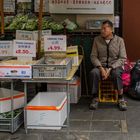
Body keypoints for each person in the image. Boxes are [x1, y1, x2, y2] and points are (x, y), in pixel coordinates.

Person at [90, 20, 127, 111]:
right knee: (94, 73)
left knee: (116, 74)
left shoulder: (119, 40)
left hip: (115, 66)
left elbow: (122, 58)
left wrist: (110, 68)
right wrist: (101, 68)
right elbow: (93, 56)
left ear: (111, 29)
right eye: (101, 29)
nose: (102, 31)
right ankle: (95, 98)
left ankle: (121, 98)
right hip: (101, 66)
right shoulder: (97, 40)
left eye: (104, 28)